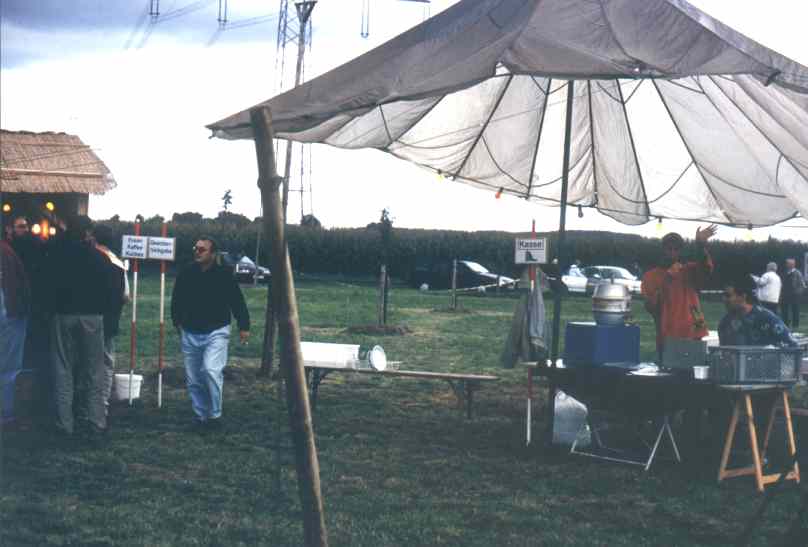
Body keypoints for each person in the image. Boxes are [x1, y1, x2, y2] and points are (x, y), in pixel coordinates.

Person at [45, 215, 116, 441]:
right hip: (92, 317)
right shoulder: (99, 258)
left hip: (63, 316)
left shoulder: (55, 254)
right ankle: (96, 423)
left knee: (63, 369)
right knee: (94, 371)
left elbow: (47, 285)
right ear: (87, 233)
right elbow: (109, 292)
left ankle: (64, 424)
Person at [171, 237, 250, 431]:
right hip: (190, 331)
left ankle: (214, 415)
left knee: (211, 370)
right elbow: (176, 299)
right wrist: (177, 322)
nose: (197, 252)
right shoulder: (186, 273)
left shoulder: (224, 275)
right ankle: (200, 416)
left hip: (217, 331)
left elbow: (237, 301)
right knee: (193, 379)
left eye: (202, 249)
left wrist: (244, 326)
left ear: (213, 254)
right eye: (195, 248)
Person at [641, 226, 717, 357]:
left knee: (694, 367)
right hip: (667, 336)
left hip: (694, 333)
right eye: (669, 248)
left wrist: (700, 245)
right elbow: (651, 306)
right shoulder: (650, 276)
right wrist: (668, 278)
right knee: (668, 368)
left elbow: (706, 268)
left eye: (676, 249)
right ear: (662, 250)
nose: (672, 252)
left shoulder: (689, 270)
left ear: (680, 251)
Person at [91, 224, 127, 413]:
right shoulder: (118, 263)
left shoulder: (89, 258)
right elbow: (126, 296)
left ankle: (85, 403)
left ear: (93, 238)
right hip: (110, 320)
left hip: (88, 319)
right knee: (106, 364)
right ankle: (102, 404)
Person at [718, 275, 797, 347]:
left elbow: (793, 346)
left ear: (742, 296)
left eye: (728, 296)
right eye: (723, 295)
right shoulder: (724, 324)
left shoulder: (767, 319)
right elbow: (724, 353)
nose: (723, 299)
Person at [1, 240, 30, 427]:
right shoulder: (7, 252)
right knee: (9, 366)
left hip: (8, 308)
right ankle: (5, 411)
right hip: (9, 311)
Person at [780, 258, 805, 329]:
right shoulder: (785, 272)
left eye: (788, 263)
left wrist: (798, 293)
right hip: (785, 294)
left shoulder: (798, 273)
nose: (786, 265)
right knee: (784, 309)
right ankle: (785, 324)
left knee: (795, 310)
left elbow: (802, 285)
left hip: (795, 295)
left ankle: (795, 325)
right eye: (786, 263)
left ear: (792, 265)